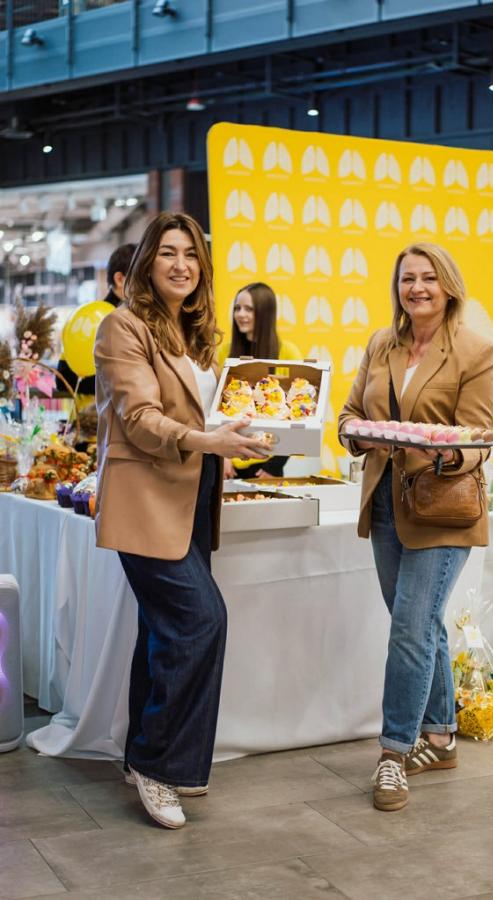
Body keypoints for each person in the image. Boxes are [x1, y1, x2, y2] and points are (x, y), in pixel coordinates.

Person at [93, 212, 269, 829]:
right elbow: (139, 418)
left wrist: (238, 438)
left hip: (193, 499)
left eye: (191, 254)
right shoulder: (123, 327)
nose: (181, 265)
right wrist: (208, 441)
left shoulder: (194, 335)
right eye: (168, 252)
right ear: (147, 261)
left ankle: (140, 757)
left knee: (162, 630)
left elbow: (206, 416)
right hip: (144, 500)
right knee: (200, 620)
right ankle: (158, 765)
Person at [338, 242, 493, 812]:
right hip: (385, 503)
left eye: (428, 278)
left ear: (448, 285)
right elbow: (349, 415)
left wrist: (444, 452)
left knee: (410, 628)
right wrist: (359, 435)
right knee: (420, 622)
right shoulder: (381, 344)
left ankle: (393, 752)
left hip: (442, 507)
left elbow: (478, 439)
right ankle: (441, 736)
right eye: (408, 278)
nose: (417, 288)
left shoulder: (477, 352)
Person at [217, 281, 302, 479]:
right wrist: (222, 456)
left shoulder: (287, 352)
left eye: (249, 309)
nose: (240, 314)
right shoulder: (224, 352)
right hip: (228, 463)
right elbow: (215, 407)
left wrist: (273, 466)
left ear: (265, 313)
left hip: (267, 465)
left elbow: (297, 415)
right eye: (237, 308)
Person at [58, 242, 136, 396]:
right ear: (120, 279)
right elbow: (63, 380)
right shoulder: (92, 318)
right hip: (94, 411)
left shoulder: (137, 317)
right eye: (142, 277)